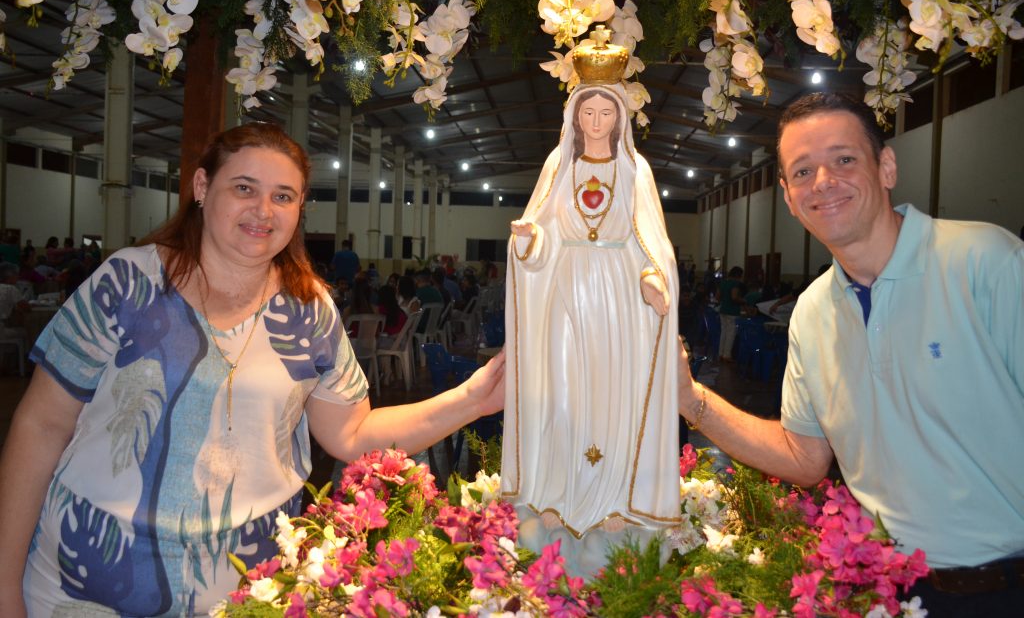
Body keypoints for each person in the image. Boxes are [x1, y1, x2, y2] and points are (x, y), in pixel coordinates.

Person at [0, 123, 506, 617]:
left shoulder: (310, 310)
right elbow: (40, 426)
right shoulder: (129, 281)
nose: (263, 211)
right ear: (202, 187)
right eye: (245, 188)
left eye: (283, 196)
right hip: (80, 588)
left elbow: (351, 433)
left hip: (248, 595)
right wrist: (4, 588)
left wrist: (473, 398)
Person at [677, 92, 1024, 617]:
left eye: (844, 160)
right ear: (789, 198)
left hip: (1006, 587)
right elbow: (804, 458)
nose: (824, 183)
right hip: (885, 594)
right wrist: (690, 398)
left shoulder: (985, 263)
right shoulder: (813, 312)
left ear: (885, 167)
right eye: (803, 171)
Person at [503, 40, 679, 577]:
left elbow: (650, 238)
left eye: (607, 112)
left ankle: (612, 501)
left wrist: (654, 275)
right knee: (562, 392)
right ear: (574, 115)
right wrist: (529, 241)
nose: (598, 120)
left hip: (620, 297)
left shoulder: (635, 169)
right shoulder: (560, 163)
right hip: (566, 290)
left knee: (614, 394)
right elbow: (543, 229)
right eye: (589, 111)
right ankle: (557, 489)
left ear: (620, 117)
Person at [716, 266, 744, 360]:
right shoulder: (735, 283)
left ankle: (721, 353)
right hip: (732, 311)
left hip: (723, 310)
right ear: (738, 275)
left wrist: (724, 301)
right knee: (731, 333)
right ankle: (727, 355)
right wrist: (743, 301)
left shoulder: (724, 282)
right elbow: (734, 297)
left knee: (723, 332)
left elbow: (718, 296)